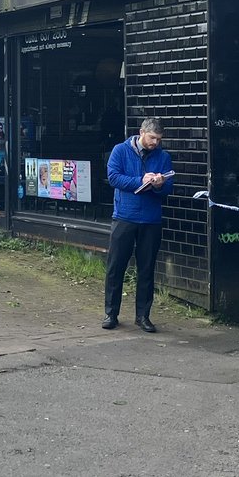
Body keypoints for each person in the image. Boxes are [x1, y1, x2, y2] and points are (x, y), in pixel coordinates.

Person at [103, 117, 174, 332]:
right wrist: (140, 181)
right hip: (124, 216)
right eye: (152, 138)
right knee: (116, 267)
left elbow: (168, 188)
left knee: (146, 269)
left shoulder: (163, 157)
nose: (155, 143)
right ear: (141, 132)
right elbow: (113, 177)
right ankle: (110, 313)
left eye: (159, 139)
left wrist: (160, 184)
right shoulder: (120, 151)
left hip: (151, 219)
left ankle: (143, 316)